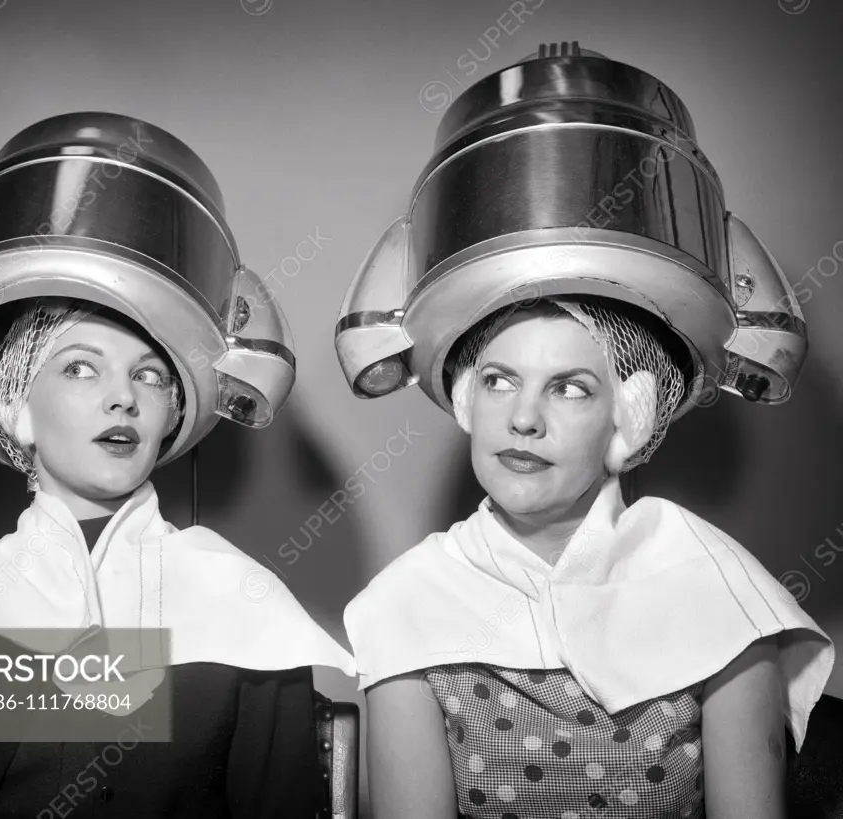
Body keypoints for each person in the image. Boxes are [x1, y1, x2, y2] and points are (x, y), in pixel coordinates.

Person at [333, 43, 834, 819]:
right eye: (499, 379)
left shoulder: (723, 600)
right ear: (467, 400)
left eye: (569, 387)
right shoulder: (403, 606)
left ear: (627, 421)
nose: (522, 416)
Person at [0, 114, 355, 818]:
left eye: (151, 375)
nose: (122, 397)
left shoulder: (246, 603)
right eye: (80, 367)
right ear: (14, 408)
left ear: (174, 413)